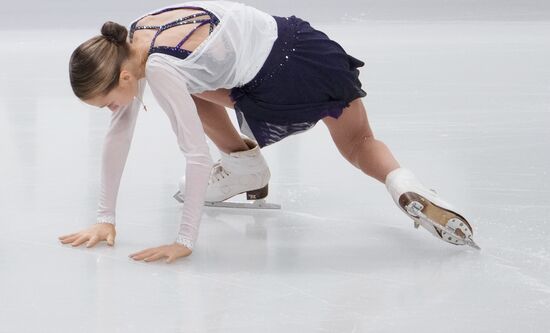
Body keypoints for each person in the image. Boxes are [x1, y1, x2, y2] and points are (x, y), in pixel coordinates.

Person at [58, 1, 479, 264]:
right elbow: (121, 129)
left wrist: (183, 239)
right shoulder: (137, 32)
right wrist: (105, 218)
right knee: (360, 142)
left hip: (277, 79)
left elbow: (193, 155)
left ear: (126, 77)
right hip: (305, 42)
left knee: (185, 88)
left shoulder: (161, 70)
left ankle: (244, 167)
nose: (113, 111)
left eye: (108, 101)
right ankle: (407, 186)